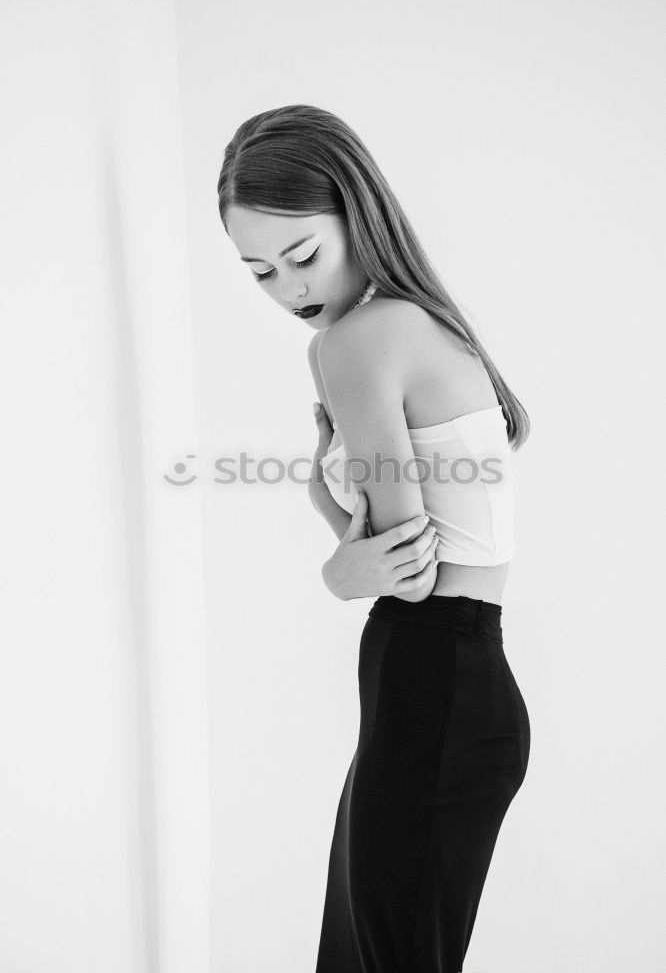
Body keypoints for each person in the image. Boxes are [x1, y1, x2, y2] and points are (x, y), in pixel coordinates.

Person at [218, 104, 531, 973]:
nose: (290, 291)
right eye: (259, 272)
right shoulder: (426, 320)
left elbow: (403, 569)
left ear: (358, 212)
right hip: (447, 686)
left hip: (430, 680)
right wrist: (329, 495)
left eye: (303, 255)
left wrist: (333, 566)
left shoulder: (354, 341)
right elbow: (407, 550)